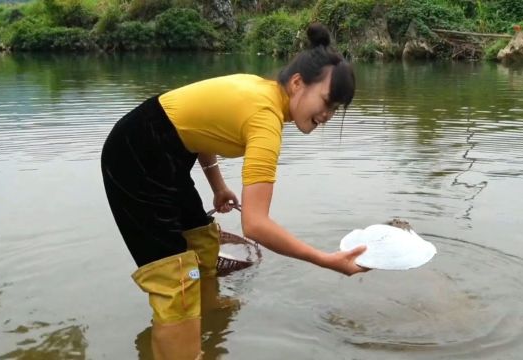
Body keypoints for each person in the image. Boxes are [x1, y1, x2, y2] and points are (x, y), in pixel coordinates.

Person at [101, 23, 368, 360]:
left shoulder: (261, 91)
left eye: (335, 110)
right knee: (176, 284)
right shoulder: (266, 118)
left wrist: (218, 186)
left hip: (165, 149)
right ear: (298, 83)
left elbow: (196, 129)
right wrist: (325, 260)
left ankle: (206, 328)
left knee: (202, 242)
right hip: (134, 156)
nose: (327, 116)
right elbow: (255, 225)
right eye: (327, 102)